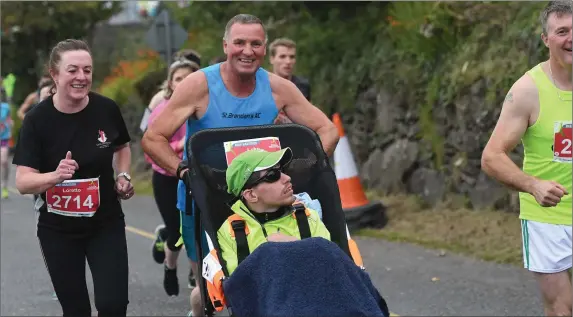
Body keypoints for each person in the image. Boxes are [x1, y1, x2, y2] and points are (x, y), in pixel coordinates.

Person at [141, 13, 339, 317]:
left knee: (268, 284)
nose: (248, 51)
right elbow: (153, 137)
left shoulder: (277, 87)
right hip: (208, 203)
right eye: (240, 43)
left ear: (264, 48)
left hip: (264, 205)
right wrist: (183, 171)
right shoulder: (198, 85)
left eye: (256, 44)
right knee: (212, 290)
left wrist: (296, 175)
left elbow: (327, 130)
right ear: (225, 45)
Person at [12, 39, 134, 317]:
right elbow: (22, 182)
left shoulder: (106, 109)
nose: (82, 77)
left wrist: (123, 175)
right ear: (54, 75)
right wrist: (54, 176)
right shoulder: (37, 120)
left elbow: (122, 146)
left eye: (87, 70)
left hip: (105, 224)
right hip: (58, 231)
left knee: (113, 306)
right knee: (76, 309)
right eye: (73, 70)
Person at [481, 2, 572, 316]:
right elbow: (492, 156)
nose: (571, 38)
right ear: (546, 39)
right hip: (549, 219)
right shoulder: (528, 90)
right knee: (562, 308)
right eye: (562, 31)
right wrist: (532, 185)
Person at [219, 147, 331, 275]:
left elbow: (332, 264)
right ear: (251, 195)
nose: (287, 178)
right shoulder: (230, 231)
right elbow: (236, 287)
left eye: (282, 170)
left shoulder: (307, 215)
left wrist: (293, 245)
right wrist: (268, 253)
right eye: (273, 175)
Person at [145, 59, 199, 296]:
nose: (184, 83)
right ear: (170, 83)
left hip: (196, 176)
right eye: (179, 79)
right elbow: (151, 149)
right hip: (167, 177)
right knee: (176, 230)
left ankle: (197, 277)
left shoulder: (204, 107)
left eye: (189, 78)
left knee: (198, 229)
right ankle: (170, 266)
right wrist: (178, 145)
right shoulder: (162, 109)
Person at [0, 89, 13, 199]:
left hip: (3, 138)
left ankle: (4, 185)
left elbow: (9, 121)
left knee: (4, 161)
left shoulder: (5, 107)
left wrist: (10, 127)